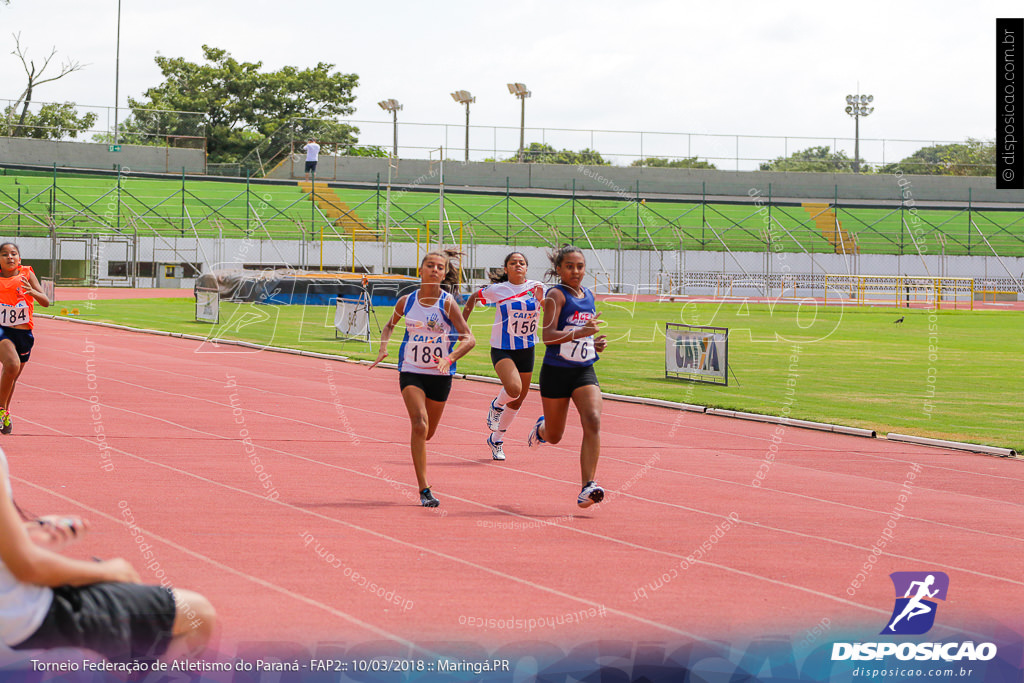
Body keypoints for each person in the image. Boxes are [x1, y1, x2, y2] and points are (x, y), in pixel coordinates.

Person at [0, 445, 215, 662]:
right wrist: (109, 571)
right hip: (20, 620)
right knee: (197, 613)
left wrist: (29, 532)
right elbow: (28, 567)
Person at [370, 251, 475, 507]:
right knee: (419, 424)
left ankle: (419, 453)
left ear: (444, 273)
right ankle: (424, 489)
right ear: (421, 270)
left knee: (427, 433)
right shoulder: (406, 301)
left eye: (440, 267)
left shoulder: (447, 303)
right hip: (411, 370)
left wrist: (449, 359)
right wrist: (383, 347)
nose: (435, 270)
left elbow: (469, 338)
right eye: (430, 266)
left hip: (440, 374)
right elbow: (389, 326)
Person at [527, 246, 608, 508]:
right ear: (559, 269)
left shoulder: (589, 295)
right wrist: (580, 333)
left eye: (580, 266)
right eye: (570, 266)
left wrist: (594, 344)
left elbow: (582, 332)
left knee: (593, 420)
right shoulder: (555, 295)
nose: (576, 271)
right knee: (555, 435)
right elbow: (548, 337)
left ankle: (588, 487)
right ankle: (541, 429)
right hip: (556, 371)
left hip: (583, 369)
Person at [461, 252, 544, 461]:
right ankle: (497, 405)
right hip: (502, 348)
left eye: (522, 263)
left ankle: (496, 439)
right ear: (506, 269)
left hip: (527, 348)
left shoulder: (537, 287)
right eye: (513, 263)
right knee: (514, 389)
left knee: (517, 400)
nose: (518, 265)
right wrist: (462, 326)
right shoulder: (498, 290)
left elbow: (552, 308)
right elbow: (472, 298)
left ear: (526, 268)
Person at [0, 243, 50, 435]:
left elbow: (45, 302)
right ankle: (0, 410)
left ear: (19, 258)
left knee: (12, 377)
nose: (10, 257)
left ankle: (5, 411)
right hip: (2, 332)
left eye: (14, 254)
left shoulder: (27, 274)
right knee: (11, 365)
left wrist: (32, 292)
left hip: (24, 334)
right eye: (4, 254)